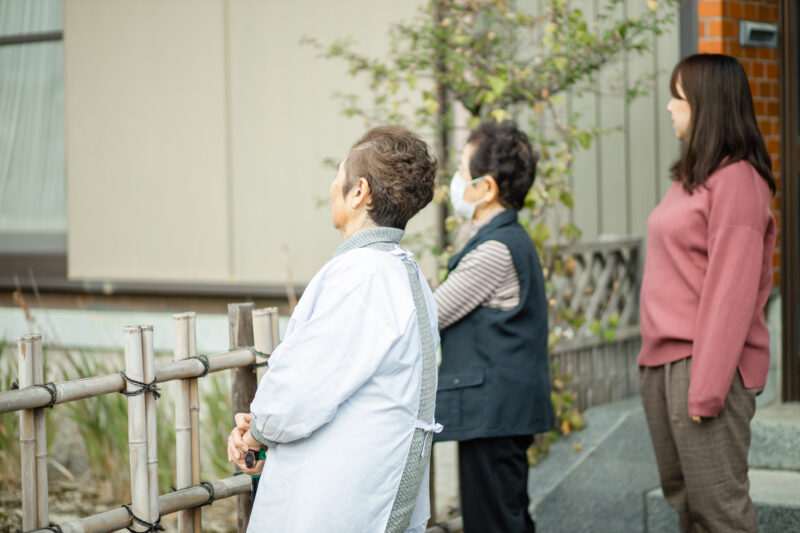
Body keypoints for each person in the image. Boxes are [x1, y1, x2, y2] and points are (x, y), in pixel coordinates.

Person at [227, 125, 440, 533]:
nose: (332, 186)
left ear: (359, 191)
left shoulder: (360, 276)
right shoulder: (405, 273)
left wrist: (256, 430)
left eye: (338, 174)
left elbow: (301, 389)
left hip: (336, 502)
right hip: (373, 489)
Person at [638, 53, 776, 532]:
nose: (670, 108)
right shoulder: (691, 180)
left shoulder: (738, 180)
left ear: (707, 106)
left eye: (679, 98)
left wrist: (708, 389)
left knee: (720, 512)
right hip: (664, 363)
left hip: (703, 367)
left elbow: (730, 295)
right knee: (688, 509)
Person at [433, 120, 554, 533]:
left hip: (494, 411)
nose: (455, 182)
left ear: (486, 189)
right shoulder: (503, 239)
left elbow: (430, 312)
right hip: (500, 411)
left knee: (495, 522)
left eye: (463, 173)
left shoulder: (495, 251)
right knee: (506, 514)